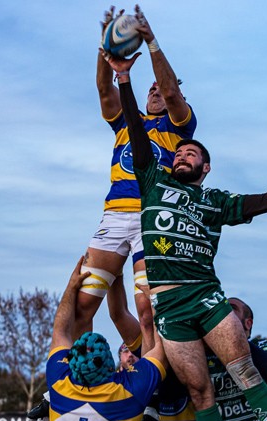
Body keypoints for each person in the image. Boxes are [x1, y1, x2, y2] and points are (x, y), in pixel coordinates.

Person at [106, 50, 267, 421]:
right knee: (202, 393)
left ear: (205, 168)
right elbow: (134, 127)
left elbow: (264, 202)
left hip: (206, 295)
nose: (183, 155)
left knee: (245, 371)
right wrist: (125, 80)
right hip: (170, 308)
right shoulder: (153, 181)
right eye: (181, 151)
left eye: (191, 152)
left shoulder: (215, 201)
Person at [76, 4, 197, 350]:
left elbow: (172, 92)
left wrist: (152, 42)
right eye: (151, 88)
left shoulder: (181, 127)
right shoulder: (127, 121)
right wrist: (106, 50)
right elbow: (103, 89)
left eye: (163, 88)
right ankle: (81, 381)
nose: (157, 91)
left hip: (152, 218)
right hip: (114, 216)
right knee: (83, 305)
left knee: (147, 310)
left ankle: (153, 386)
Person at [35, 258, 168, 421]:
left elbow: (60, 330)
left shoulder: (58, 381)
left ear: (72, 363)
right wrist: (158, 301)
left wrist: (72, 287)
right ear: (110, 363)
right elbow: (163, 346)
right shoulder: (132, 389)